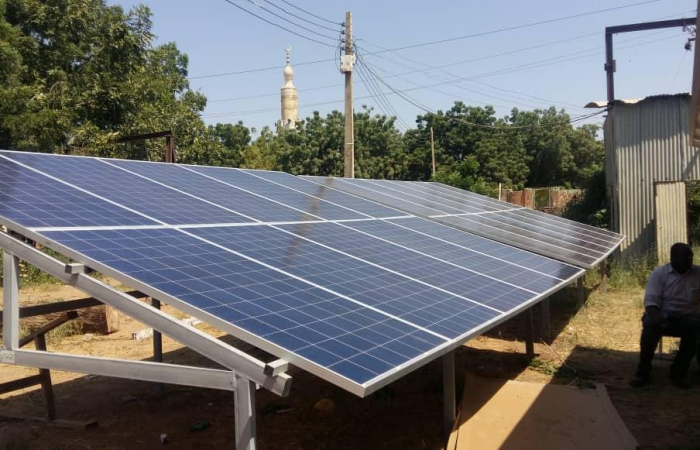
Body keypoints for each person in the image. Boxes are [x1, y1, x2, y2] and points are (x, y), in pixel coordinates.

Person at [630, 243, 700, 389]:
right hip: (662, 317)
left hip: (688, 319)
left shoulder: (697, 274)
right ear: (672, 257)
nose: (689, 261)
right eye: (685, 258)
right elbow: (651, 303)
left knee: (694, 328)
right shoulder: (659, 274)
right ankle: (643, 371)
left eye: (690, 257)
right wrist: (659, 319)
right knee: (650, 325)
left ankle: (679, 372)